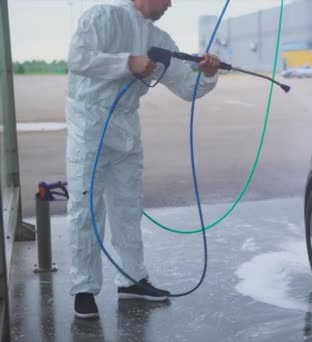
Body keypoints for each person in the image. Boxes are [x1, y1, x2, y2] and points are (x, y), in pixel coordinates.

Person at [65, 0, 220, 319]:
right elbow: (77, 58)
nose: (170, 3)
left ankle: (132, 280)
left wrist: (206, 74)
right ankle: (84, 288)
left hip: (126, 127)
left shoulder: (160, 40)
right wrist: (126, 63)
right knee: (85, 207)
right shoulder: (103, 16)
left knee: (128, 205)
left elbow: (187, 87)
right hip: (88, 124)